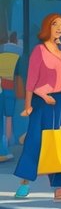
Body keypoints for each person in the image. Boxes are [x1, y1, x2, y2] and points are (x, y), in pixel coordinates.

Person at [14, 14, 61, 201]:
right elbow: (31, 80)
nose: (60, 28)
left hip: (59, 101)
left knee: (57, 142)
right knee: (35, 142)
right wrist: (28, 105)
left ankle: (60, 188)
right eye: (55, 25)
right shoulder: (39, 50)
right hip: (42, 101)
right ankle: (25, 183)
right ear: (47, 27)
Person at [0, 32, 19, 162]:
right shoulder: (17, 54)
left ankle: (4, 148)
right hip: (10, 88)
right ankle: (5, 146)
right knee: (9, 117)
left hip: (2, 88)